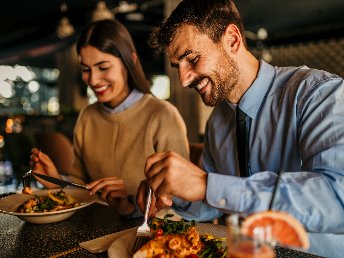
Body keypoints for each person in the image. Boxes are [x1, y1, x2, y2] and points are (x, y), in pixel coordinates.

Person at [136, 0, 344, 257]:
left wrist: (207, 185)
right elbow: (211, 204)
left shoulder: (317, 93)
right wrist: (170, 193)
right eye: (178, 67)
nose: (184, 79)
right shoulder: (217, 122)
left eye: (192, 59)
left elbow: (337, 197)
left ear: (232, 40)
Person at [29, 19, 189, 218]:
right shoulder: (87, 117)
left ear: (130, 60)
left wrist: (130, 208)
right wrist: (57, 181)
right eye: (86, 69)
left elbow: (181, 204)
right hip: (93, 229)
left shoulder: (163, 116)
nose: (93, 80)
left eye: (103, 67)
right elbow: (82, 187)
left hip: (146, 236)